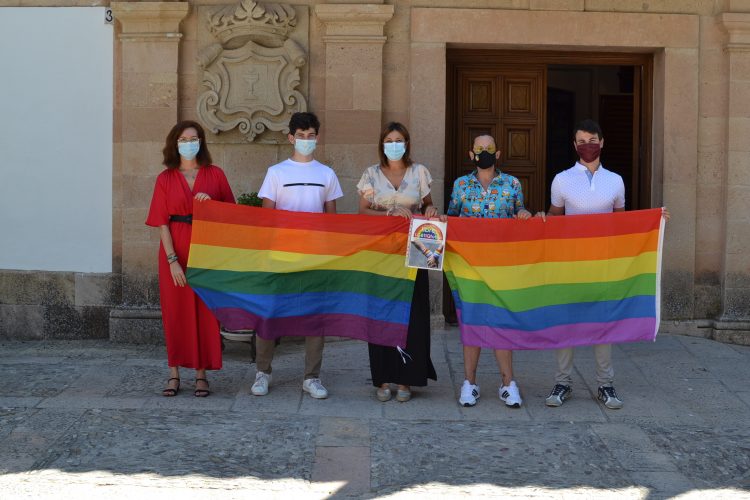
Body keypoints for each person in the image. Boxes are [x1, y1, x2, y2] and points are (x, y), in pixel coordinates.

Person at [251, 111, 343, 400]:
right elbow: (267, 217)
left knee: (315, 318)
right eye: (301, 136)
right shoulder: (276, 172)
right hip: (280, 256)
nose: (306, 140)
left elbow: (332, 220)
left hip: (314, 257)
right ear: (291, 138)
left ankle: (311, 377)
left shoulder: (326, 174)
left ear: (317, 137)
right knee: (269, 313)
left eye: (311, 135)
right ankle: (262, 372)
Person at [539, 118, 626, 409]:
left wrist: (655, 222)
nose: (586, 146)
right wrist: (540, 220)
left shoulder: (615, 180)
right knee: (567, 322)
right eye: (581, 141)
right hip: (570, 262)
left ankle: (606, 384)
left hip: (602, 263)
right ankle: (563, 382)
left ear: (601, 142)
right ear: (574, 146)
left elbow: (622, 223)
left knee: (603, 322)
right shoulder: (562, 179)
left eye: (592, 140)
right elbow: (554, 218)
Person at [146, 120, 236, 397]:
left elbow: (231, 215)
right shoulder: (165, 179)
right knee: (175, 311)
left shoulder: (215, 174)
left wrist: (213, 205)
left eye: (193, 138)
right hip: (176, 249)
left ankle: (201, 373)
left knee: (204, 310)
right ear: (175, 143)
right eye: (183, 139)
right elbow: (162, 222)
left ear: (201, 142)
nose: (189, 143)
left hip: (206, 250)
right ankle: (173, 372)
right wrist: (172, 260)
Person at [446, 134, 532, 408]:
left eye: (489, 149)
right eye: (479, 148)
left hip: (501, 264)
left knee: (501, 320)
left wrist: (524, 214)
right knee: (472, 320)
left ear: (498, 153)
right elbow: (452, 218)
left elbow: (520, 213)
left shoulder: (512, 184)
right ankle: (469, 383)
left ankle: (508, 384)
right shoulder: (460, 185)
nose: (484, 152)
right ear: (471, 154)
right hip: (468, 265)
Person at [357, 122, 438, 403]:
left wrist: (429, 209)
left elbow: (428, 204)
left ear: (407, 143)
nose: (394, 144)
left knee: (412, 314)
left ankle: (407, 379)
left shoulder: (420, 173)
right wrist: (389, 214)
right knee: (380, 312)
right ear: (382, 144)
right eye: (389, 140)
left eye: (399, 139)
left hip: (413, 252)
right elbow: (363, 212)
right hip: (380, 253)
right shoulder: (370, 174)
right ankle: (382, 378)